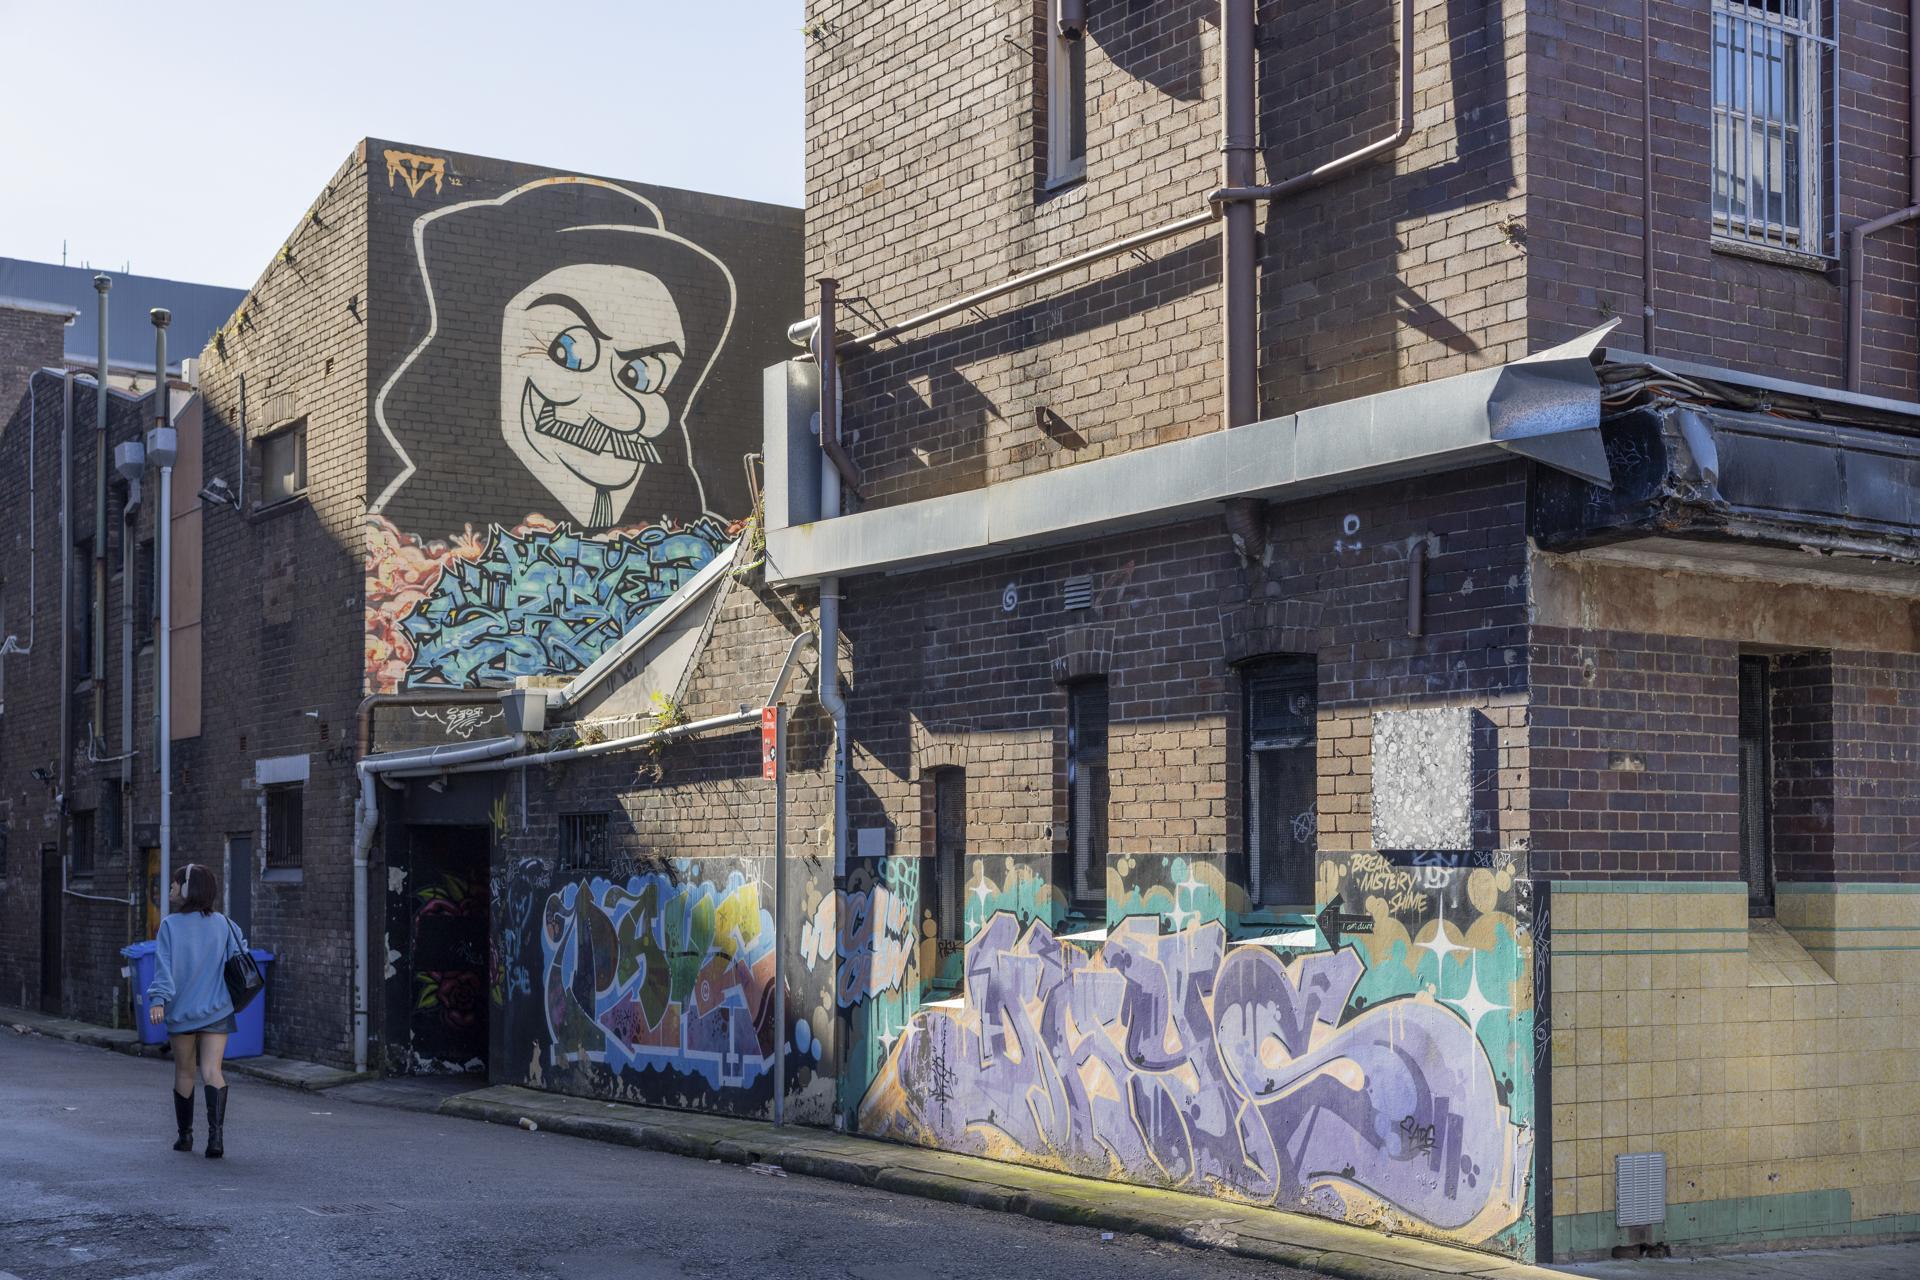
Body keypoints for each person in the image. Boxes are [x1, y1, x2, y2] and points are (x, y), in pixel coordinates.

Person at [146, 862, 246, 1158]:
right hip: (217, 1010)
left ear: (188, 888)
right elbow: (241, 956)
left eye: (176, 883)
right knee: (213, 1071)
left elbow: (163, 969)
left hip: (182, 1013)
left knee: (185, 1071)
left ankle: (185, 1137)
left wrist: (158, 1000)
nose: (171, 888)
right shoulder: (225, 924)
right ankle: (216, 1140)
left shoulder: (169, 926)